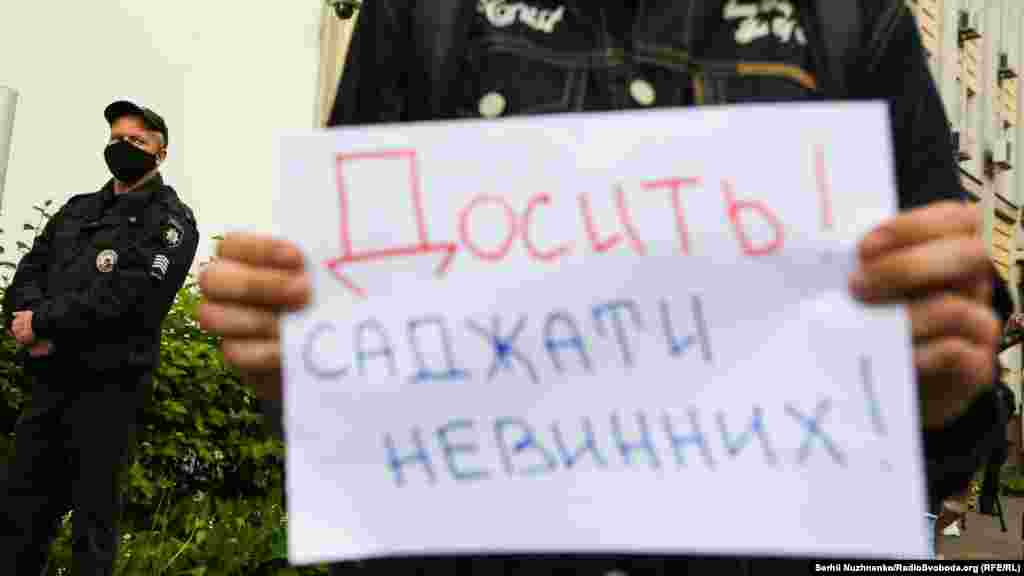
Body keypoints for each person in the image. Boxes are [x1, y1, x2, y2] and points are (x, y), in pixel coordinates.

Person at [198, 1, 1007, 573]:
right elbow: (347, 350)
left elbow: (950, 401)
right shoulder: (427, 15)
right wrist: (297, 358)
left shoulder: (850, 18)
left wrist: (939, 382)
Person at [0, 101, 199, 575]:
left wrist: (45, 324)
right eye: (116, 139)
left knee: (93, 520)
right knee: (20, 511)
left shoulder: (170, 222)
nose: (123, 147)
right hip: (49, 382)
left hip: (108, 388)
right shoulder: (78, 210)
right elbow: (30, 273)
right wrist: (26, 320)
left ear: (160, 153)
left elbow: (133, 300)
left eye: (137, 141)